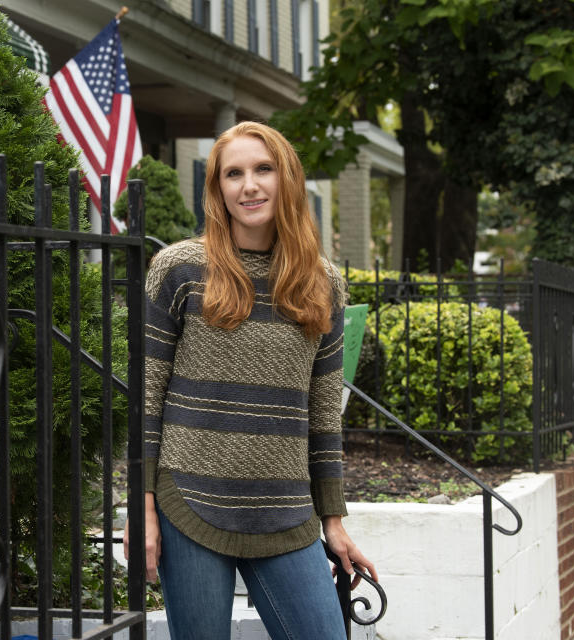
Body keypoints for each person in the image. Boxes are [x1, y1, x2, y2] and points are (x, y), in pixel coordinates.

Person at [125, 121, 377, 640]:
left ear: (287, 177)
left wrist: (332, 521)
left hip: (286, 512)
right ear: (217, 189)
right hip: (190, 503)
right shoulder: (179, 269)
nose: (249, 185)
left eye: (263, 169)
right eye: (232, 174)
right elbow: (145, 400)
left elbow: (325, 413)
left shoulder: (323, 282)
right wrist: (142, 508)